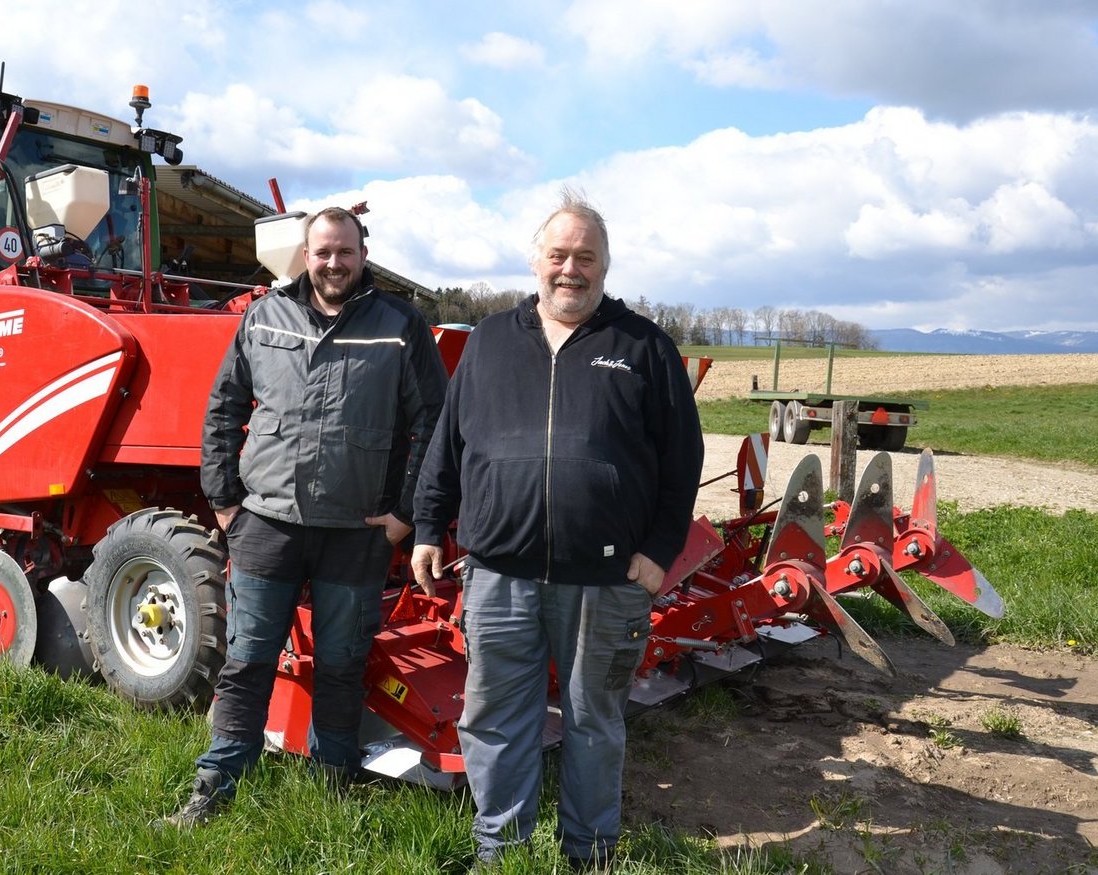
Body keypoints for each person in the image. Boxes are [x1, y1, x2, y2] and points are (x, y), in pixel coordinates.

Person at [411, 191, 703, 870]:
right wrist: (428, 525)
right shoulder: (489, 342)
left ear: (605, 265)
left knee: (593, 719)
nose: (571, 269)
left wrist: (659, 550)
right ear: (535, 261)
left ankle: (589, 852)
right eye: (559, 254)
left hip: (606, 580)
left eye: (586, 257)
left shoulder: (644, 347)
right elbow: (448, 444)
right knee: (494, 717)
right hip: (498, 574)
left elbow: (682, 459)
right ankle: (500, 850)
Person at [161, 206, 448, 827]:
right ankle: (216, 784)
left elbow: (435, 423)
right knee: (247, 662)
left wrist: (405, 512)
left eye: (345, 252)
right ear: (306, 255)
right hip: (266, 523)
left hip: (356, 531)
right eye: (323, 252)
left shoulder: (400, 325)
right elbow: (224, 407)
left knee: (342, 667)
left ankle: (332, 784)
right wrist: (225, 500)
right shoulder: (266, 316)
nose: (334, 263)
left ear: (363, 255)